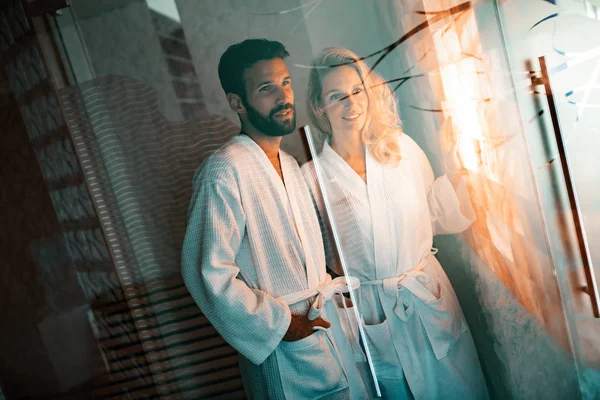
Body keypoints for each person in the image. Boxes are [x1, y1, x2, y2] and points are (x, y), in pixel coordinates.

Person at [181, 39, 368, 400]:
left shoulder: (293, 167)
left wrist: (329, 287)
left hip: (324, 336)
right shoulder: (224, 170)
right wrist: (282, 325)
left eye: (285, 83)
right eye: (266, 88)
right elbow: (206, 271)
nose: (283, 96)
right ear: (238, 102)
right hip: (285, 352)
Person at [301, 47, 490, 399]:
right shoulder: (312, 178)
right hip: (373, 310)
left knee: (458, 386)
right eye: (336, 96)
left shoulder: (399, 148)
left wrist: (457, 168)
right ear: (319, 106)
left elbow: (431, 212)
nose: (351, 104)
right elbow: (317, 258)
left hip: (425, 294)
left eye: (357, 91)